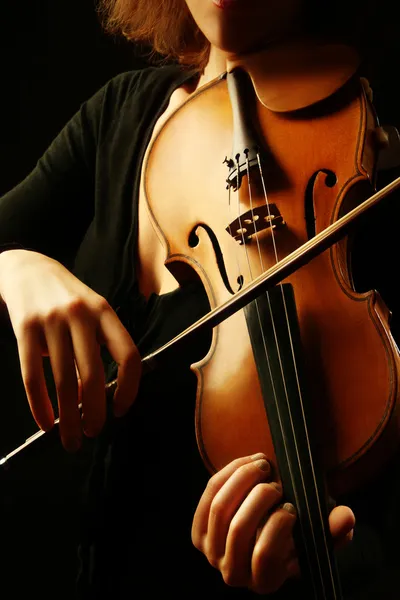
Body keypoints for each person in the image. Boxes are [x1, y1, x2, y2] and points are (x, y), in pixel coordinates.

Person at [0, 0, 400, 598]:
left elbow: (380, 527)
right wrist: (20, 266)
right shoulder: (123, 110)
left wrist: (311, 555)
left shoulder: (366, 146)